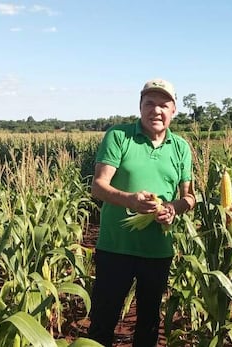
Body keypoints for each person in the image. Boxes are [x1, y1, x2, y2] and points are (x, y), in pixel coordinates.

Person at [88, 78, 195, 347]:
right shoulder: (119, 136)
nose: (156, 111)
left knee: (148, 322)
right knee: (103, 319)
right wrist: (130, 201)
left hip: (157, 250)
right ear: (140, 107)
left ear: (173, 111)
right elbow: (98, 186)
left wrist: (173, 208)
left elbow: (190, 197)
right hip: (116, 248)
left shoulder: (181, 147)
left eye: (163, 105)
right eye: (150, 104)